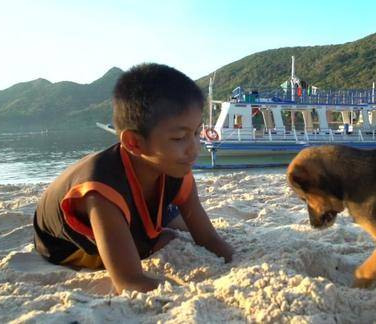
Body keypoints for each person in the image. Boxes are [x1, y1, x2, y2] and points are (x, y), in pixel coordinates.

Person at [33, 63, 234, 293]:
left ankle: (154, 227)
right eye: (179, 138)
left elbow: (208, 238)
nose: (194, 148)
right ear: (134, 143)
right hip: (67, 244)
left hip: (133, 199)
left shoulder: (176, 167)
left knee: (169, 228)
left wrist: (235, 260)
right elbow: (129, 281)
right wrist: (203, 293)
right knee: (154, 241)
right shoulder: (101, 192)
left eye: (197, 132)